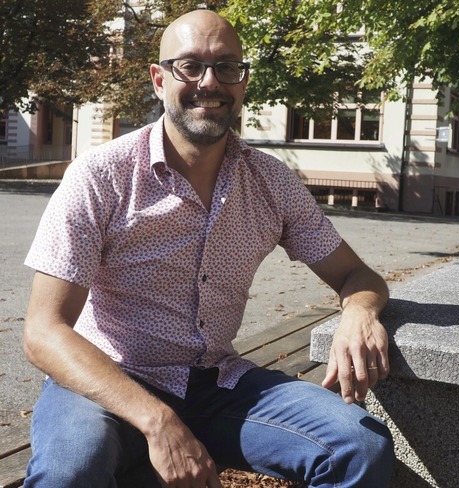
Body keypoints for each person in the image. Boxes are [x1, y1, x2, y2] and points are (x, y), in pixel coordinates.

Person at [22, 9, 394, 488]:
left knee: (359, 445)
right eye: (190, 66)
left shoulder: (271, 182)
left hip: (216, 384)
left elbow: (357, 277)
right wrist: (159, 423)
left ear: (243, 82)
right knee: (69, 474)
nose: (210, 82)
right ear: (159, 79)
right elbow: (43, 331)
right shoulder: (101, 176)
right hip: (108, 383)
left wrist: (358, 314)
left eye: (226, 67)